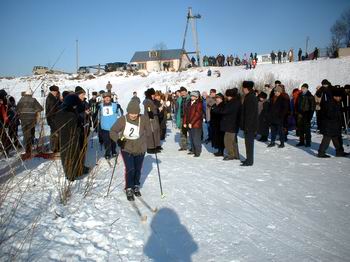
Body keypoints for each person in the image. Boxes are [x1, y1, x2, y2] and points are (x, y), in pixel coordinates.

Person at [110, 99, 150, 201]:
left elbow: (149, 131)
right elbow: (113, 131)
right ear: (128, 111)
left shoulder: (143, 118)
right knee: (130, 168)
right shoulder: (123, 119)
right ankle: (129, 187)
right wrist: (118, 140)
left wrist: (152, 119)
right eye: (131, 113)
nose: (133, 115)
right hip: (126, 148)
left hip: (140, 148)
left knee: (137, 169)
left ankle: (136, 185)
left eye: (136, 113)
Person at [55, 94, 84, 181]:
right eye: (75, 106)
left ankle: (71, 173)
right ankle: (71, 175)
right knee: (72, 156)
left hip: (63, 138)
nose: (76, 107)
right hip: (71, 139)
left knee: (66, 156)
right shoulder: (70, 115)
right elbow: (75, 129)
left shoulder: (59, 112)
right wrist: (80, 127)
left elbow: (56, 125)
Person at [317, 88, 349, 158]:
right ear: (334, 96)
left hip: (335, 125)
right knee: (326, 139)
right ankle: (321, 153)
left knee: (337, 139)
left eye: (340, 97)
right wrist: (337, 114)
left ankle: (339, 152)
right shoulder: (330, 102)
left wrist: (343, 109)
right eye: (338, 97)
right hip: (329, 124)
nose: (339, 98)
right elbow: (329, 114)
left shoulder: (336, 102)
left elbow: (337, 111)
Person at [17, 88, 43, 160]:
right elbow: (40, 108)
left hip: (23, 120)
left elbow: (17, 110)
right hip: (31, 119)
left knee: (26, 134)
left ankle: (28, 149)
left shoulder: (21, 100)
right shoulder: (33, 100)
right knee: (31, 133)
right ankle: (30, 149)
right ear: (30, 94)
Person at [215, 89, 241, 160]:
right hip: (232, 124)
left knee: (227, 140)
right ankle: (236, 154)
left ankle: (231, 154)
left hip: (231, 124)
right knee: (233, 141)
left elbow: (225, 111)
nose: (227, 97)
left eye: (228, 96)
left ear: (231, 96)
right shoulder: (236, 102)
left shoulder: (233, 103)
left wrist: (217, 108)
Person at [98, 92, 122, 159]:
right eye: (106, 98)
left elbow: (120, 114)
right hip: (105, 127)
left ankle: (114, 151)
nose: (107, 99)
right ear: (103, 99)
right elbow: (98, 116)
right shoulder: (101, 106)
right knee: (106, 141)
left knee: (113, 140)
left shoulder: (115, 105)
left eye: (108, 97)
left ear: (110, 98)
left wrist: (119, 108)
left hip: (113, 127)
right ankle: (107, 153)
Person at [240, 81, 258, 166]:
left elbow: (250, 114)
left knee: (249, 144)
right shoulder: (249, 96)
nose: (242, 89)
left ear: (247, 88)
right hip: (249, 125)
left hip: (250, 126)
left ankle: (250, 161)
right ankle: (248, 159)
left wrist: (247, 126)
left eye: (243, 88)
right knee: (248, 143)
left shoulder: (251, 98)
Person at [183, 91, 203, 157]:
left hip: (196, 124)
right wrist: (184, 122)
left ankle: (197, 152)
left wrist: (191, 123)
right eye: (191, 96)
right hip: (189, 124)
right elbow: (185, 113)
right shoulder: (189, 103)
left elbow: (197, 115)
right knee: (191, 138)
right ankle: (193, 150)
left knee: (196, 138)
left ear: (196, 97)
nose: (192, 97)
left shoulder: (199, 104)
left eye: (193, 96)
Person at [143, 88, 161, 154]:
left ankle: (155, 145)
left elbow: (155, 106)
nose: (153, 96)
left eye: (154, 94)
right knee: (150, 132)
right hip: (149, 118)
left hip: (154, 117)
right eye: (152, 94)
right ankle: (150, 147)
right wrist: (150, 115)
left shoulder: (151, 100)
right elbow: (148, 109)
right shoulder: (147, 101)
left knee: (155, 131)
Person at [46, 85, 61, 153]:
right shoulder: (50, 98)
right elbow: (50, 110)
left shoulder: (54, 98)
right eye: (54, 91)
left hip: (55, 118)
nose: (56, 92)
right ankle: (53, 148)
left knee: (56, 133)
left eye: (56, 91)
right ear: (51, 91)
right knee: (54, 134)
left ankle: (56, 147)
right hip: (52, 119)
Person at [176, 86, 190, 151]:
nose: (183, 93)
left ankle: (193, 147)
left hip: (189, 118)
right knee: (182, 132)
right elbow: (177, 110)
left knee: (191, 132)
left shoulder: (190, 98)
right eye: (181, 92)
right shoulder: (179, 99)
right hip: (182, 118)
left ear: (186, 92)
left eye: (184, 92)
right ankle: (183, 146)